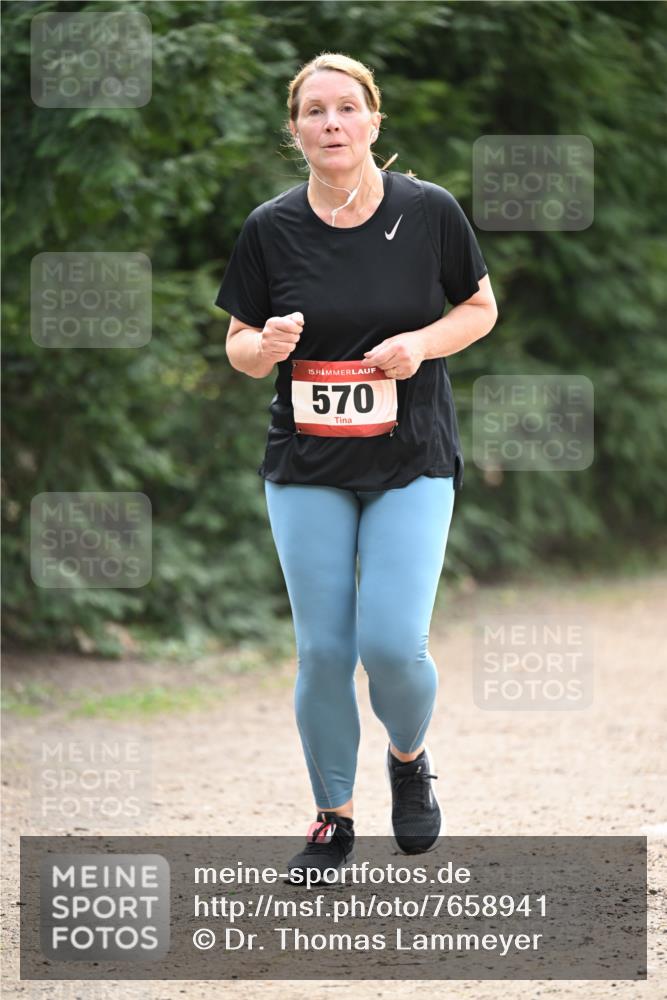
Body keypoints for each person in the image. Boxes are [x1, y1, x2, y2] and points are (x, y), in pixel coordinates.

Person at [214, 52, 497, 884]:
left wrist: (422, 344)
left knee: (393, 646)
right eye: (314, 111)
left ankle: (407, 758)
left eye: (346, 107)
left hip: (411, 456)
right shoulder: (270, 227)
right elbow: (237, 347)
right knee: (324, 651)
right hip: (307, 463)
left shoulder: (428, 211)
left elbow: (478, 308)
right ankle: (332, 819)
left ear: (374, 119)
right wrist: (262, 347)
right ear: (294, 129)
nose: (331, 122)